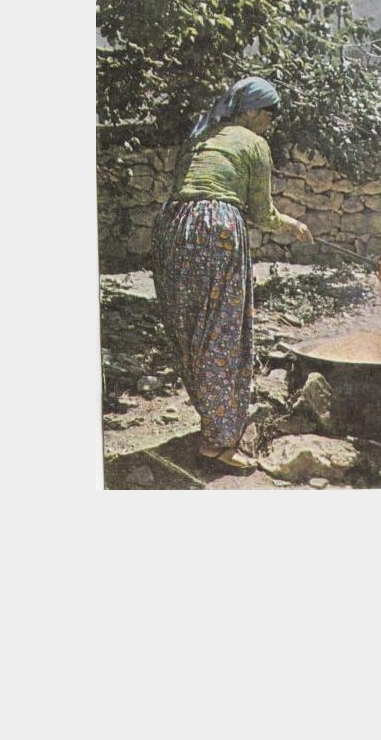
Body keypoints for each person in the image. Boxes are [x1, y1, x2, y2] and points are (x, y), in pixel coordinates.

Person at [152, 76, 314, 472]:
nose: (271, 123)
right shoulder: (254, 143)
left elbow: (188, 189)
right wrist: (293, 225)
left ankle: (213, 424)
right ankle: (220, 442)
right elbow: (261, 212)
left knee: (189, 331)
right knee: (223, 332)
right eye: (270, 115)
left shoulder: (201, 136)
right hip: (217, 229)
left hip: (172, 227)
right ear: (254, 112)